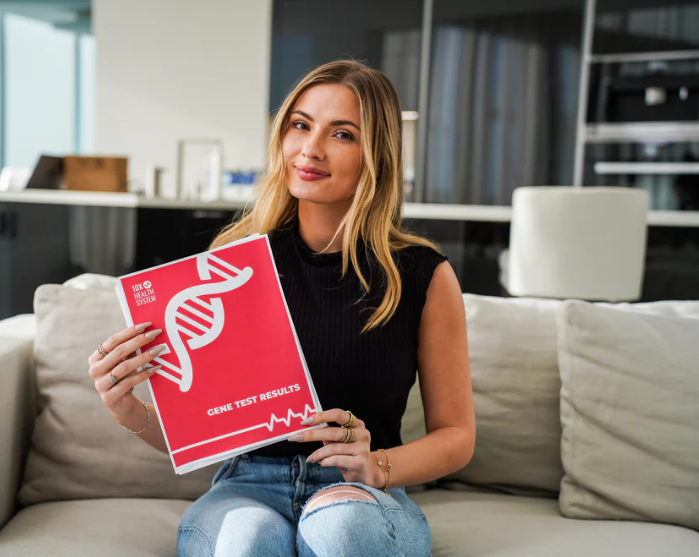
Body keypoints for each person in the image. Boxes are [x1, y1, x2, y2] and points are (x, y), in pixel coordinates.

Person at [87, 59, 475, 556]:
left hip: (358, 494)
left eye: (342, 134)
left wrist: (378, 465)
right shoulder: (232, 268)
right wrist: (126, 408)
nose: (310, 149)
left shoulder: (422, 274)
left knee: (340, 528)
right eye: (300, 125)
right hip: (246, 487)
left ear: (375, 154)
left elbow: (457, 435)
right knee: (246, 540)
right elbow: (204, 431)